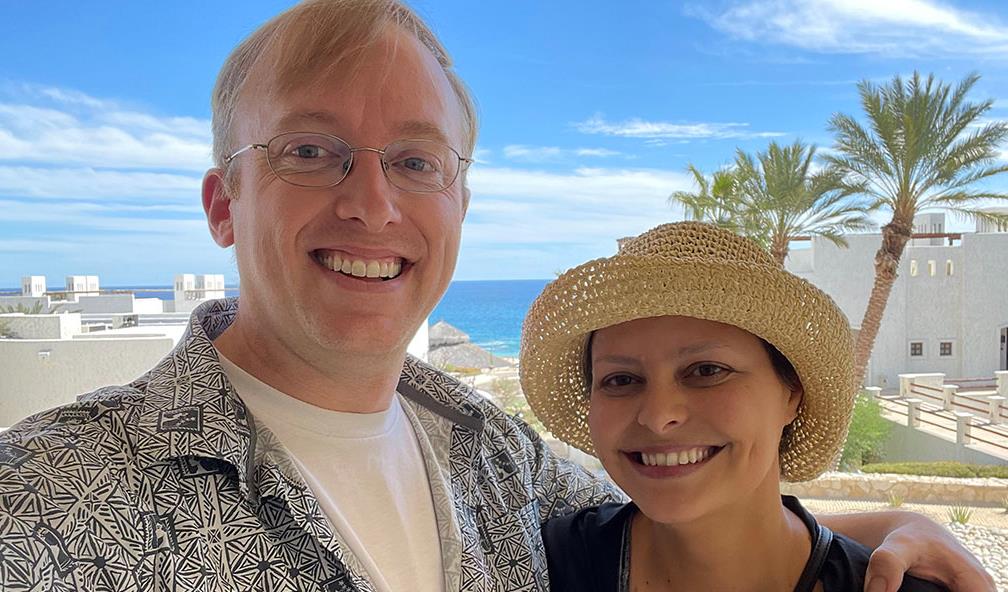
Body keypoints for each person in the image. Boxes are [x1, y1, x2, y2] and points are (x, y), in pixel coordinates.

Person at [0, 1, 994, 591]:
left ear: (460, 204)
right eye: (310, 150)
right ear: (224, 204)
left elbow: (703, 514)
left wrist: (894, 529)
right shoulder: (46, 503)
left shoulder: (493, 455)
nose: (373, 202)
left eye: (416, 161)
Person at [522, 222, 950, 591]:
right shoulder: (544, 565)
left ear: (792, 394)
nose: (658, 416)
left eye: (706, 371)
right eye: (620, 380)